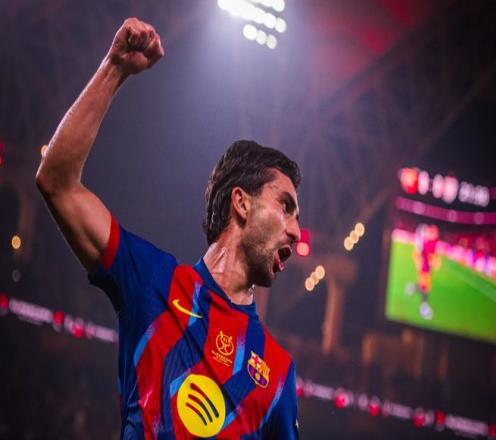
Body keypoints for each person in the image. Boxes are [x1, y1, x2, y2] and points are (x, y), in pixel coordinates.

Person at [36, 17, 301, 439]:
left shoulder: (278, 373)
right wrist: (114, 68)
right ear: (241, 203)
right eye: (286, 207)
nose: (296, 232)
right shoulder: (153, 281)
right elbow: (57, 182)